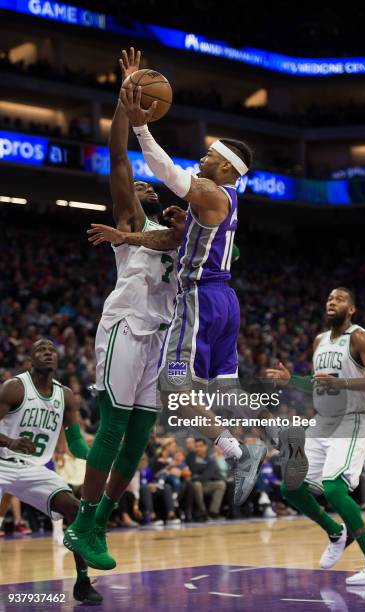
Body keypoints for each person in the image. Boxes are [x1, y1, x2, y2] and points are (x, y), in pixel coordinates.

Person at [115, 58, 307, 508]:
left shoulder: (210, 191)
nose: (202, 159)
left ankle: (238, 452)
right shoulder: (224, 199)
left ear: (227, 168)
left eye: (210, 156)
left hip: (200, 302)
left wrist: (141, 128)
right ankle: (278, 438)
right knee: (225, 389)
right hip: (225, 303)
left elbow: (167, 173)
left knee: (172, 386)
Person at [64, 48, 179, 570]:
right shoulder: (129, 222)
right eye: (134, 185)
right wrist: (124, 98)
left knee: (138, 436)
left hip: (160, 335)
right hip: (125, 326)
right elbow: (116, 156)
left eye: (146, 184)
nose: (139, 185)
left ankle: (100, 521)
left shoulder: (182, 232)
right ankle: (84, 521)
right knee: (111, 427)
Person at [267, 287, 365, 585]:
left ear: (351, 309)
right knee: (291, 486)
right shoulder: (319, 341)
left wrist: (345, 385)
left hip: (351, 421)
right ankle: (335, 531)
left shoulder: (360, 338)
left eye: (338, 299)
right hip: (322, 422)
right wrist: (292, 381)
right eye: (328, 299)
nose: (331, 302)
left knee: (335, 489)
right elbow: (319, 384)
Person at [0, 339, 101, 604]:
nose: (48, 353)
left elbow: (76, 443)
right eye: (40, 351)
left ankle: (82, 582)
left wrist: (97, 457)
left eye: (52, 350)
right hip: (2, 463)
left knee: (74, 508)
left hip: (34, 468)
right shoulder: (14, 388)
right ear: (30, 361)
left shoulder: (65, 395)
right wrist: (10, 442)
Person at [187, 438, 226, 520]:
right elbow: (189, 470)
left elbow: (206, 476)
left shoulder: (210, 460)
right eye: (196, 446)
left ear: (205, 447)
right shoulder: (190, 457)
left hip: (205, 483)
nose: (198, 448)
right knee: (197, 484)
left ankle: (213, 512)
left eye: (200, 446)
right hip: (193, 485)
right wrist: (194, 477)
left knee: (221, 484)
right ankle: (203, 512)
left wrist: (195, 477)